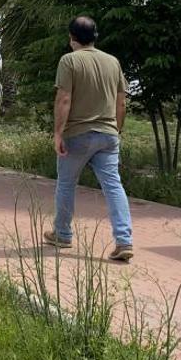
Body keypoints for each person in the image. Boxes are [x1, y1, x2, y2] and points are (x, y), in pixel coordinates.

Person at [44, 16, 134, 261]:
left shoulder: (69, 61)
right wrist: (117, 130)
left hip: (77, 135)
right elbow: (121, 102)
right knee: (113, 186)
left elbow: (64, 99)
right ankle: (124, 240)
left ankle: (62, 234)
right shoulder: (112, 62)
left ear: (71, 37)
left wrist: (58, 133)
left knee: (66, 183)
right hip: (108, 135)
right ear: (95, 36)